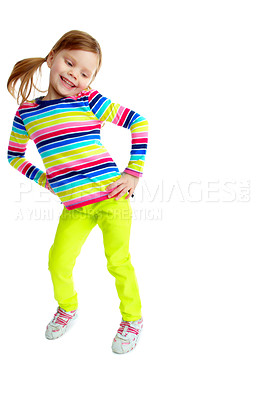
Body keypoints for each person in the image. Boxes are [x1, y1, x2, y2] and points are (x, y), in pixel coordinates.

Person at [7, 30, 148, 354]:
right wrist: (46, 180)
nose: (75, 74)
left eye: (85, 72)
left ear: (91, 80)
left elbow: (138, 123)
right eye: (70, 63)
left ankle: (133, 318)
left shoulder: (89, 100)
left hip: (113, 199)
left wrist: (132, 172)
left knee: (118, 262)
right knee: (58, 261)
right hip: (75, 207)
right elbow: (14, 156)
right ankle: (67, 307)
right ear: (52, 56)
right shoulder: (27, 112)